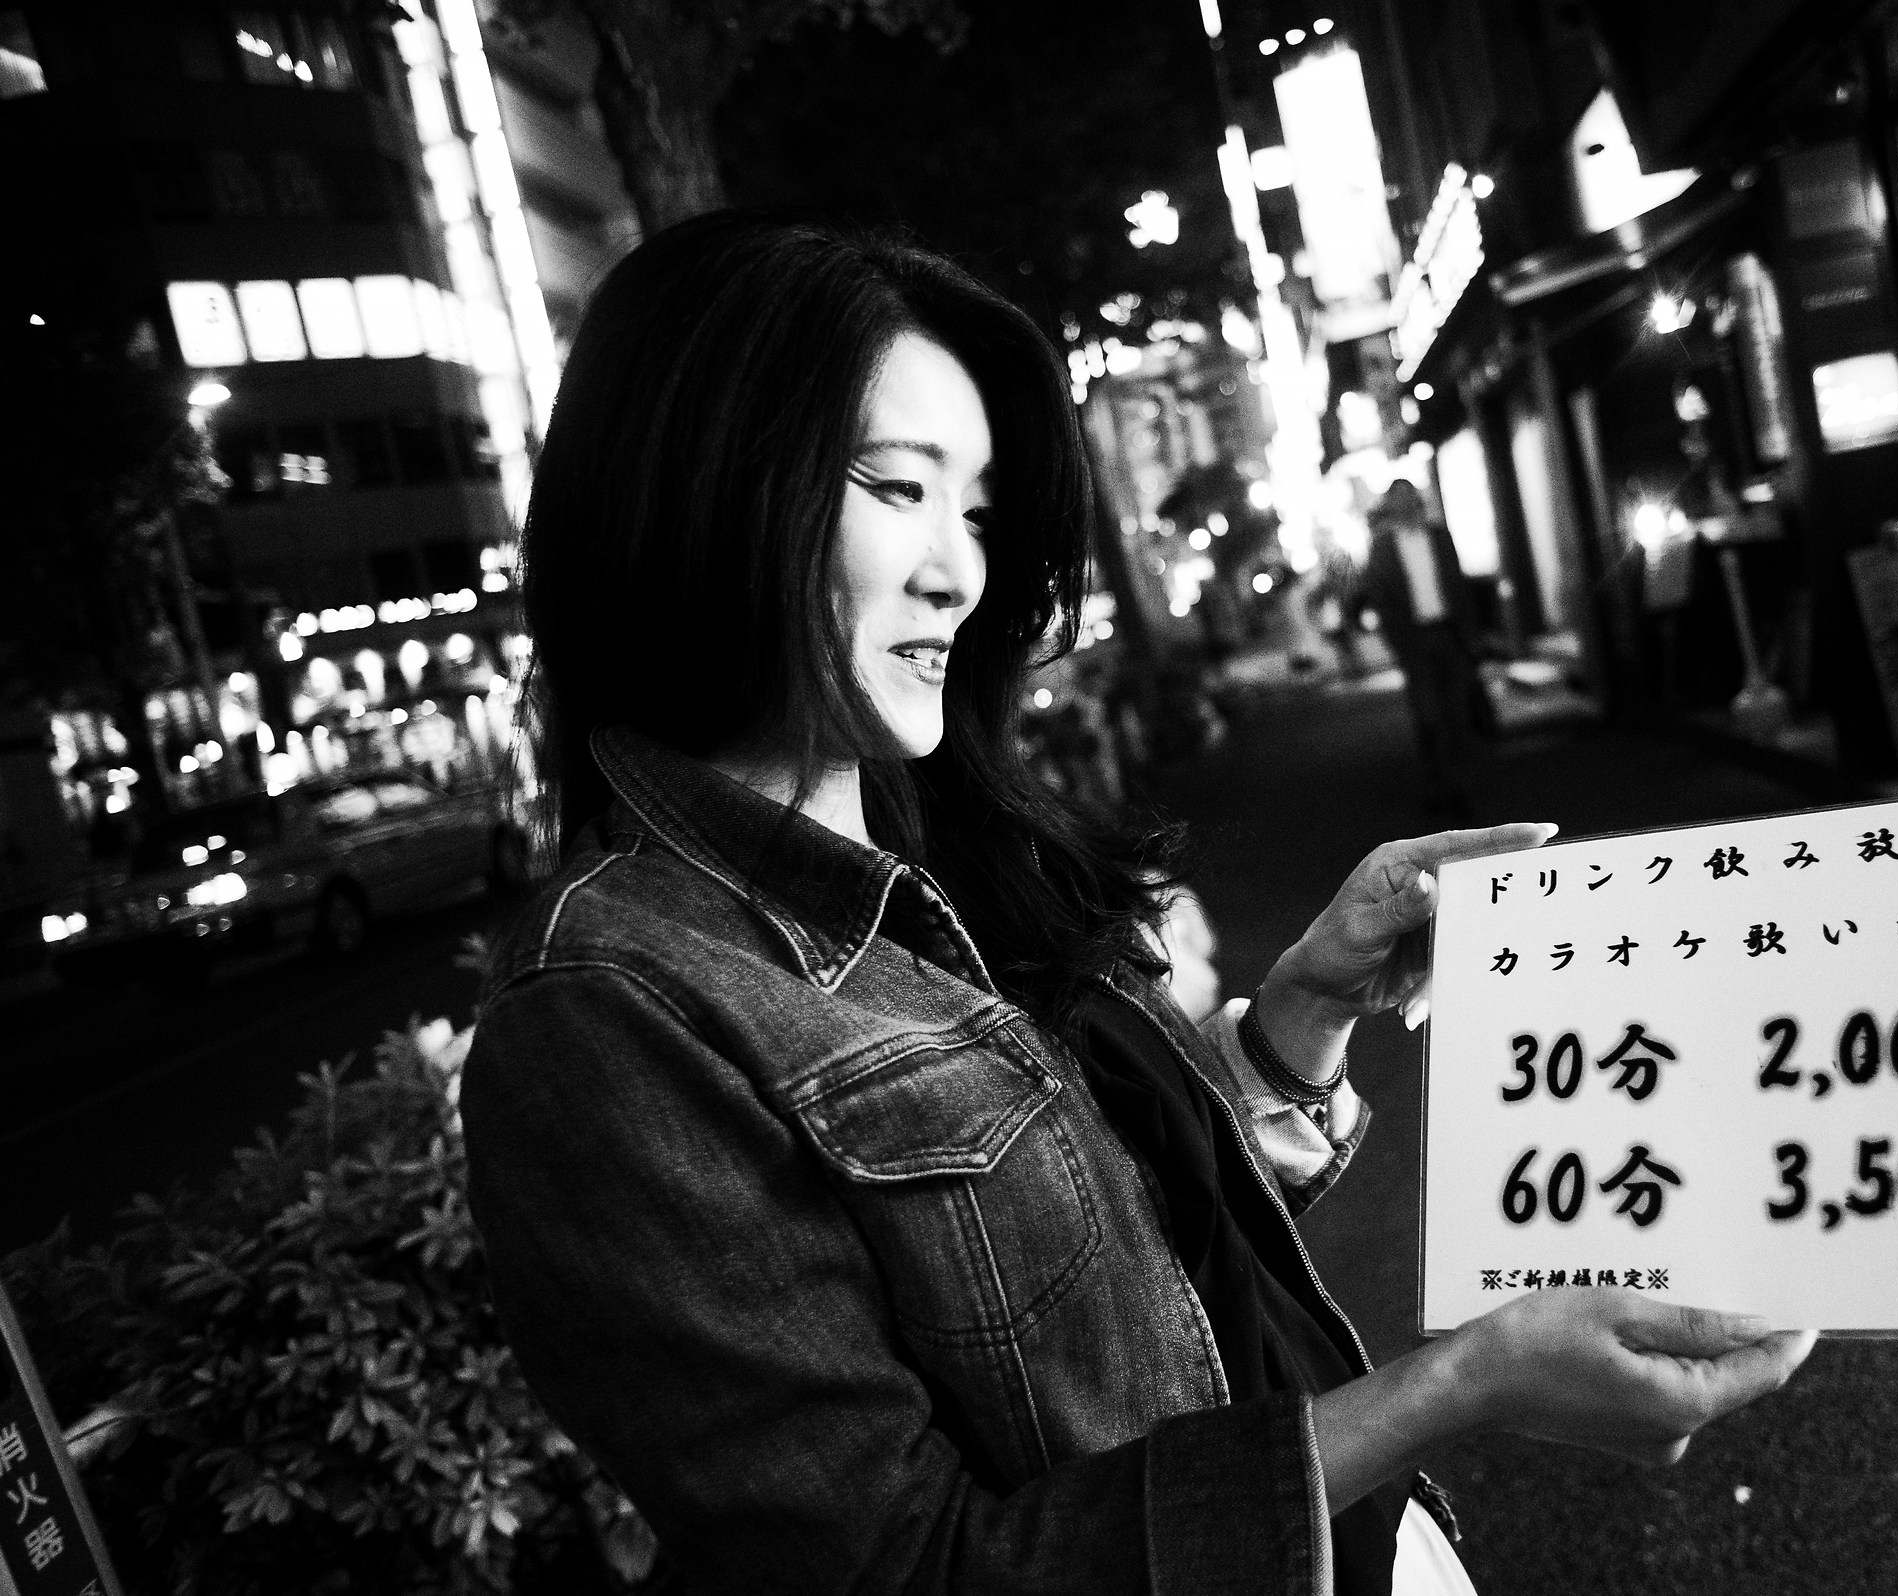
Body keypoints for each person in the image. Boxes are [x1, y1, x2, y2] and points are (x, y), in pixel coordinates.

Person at [461, 214, 1814, 1595]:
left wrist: (1301, 1016)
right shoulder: (607, 1012)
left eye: (977, 511)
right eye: (896, 487)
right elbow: (910, 1570)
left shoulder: (944, 841)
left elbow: (1097, 1243)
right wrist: (1457, 1387)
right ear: (702, 489)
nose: (959, 570)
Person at [1357, 482, 1489, 816]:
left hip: (1448, 633)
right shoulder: (1383, 547)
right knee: (1429, 716)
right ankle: (1439, 785)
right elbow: (1380, 597)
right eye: (1399, 502)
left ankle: (1463, 786)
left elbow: (1457, 585)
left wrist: (1469, 634)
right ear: (1391, 508)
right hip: (1414, 640)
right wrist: (1398, 642)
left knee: (1458, 712)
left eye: (1411, 501)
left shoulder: (1439, 537)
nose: (1407, 507)